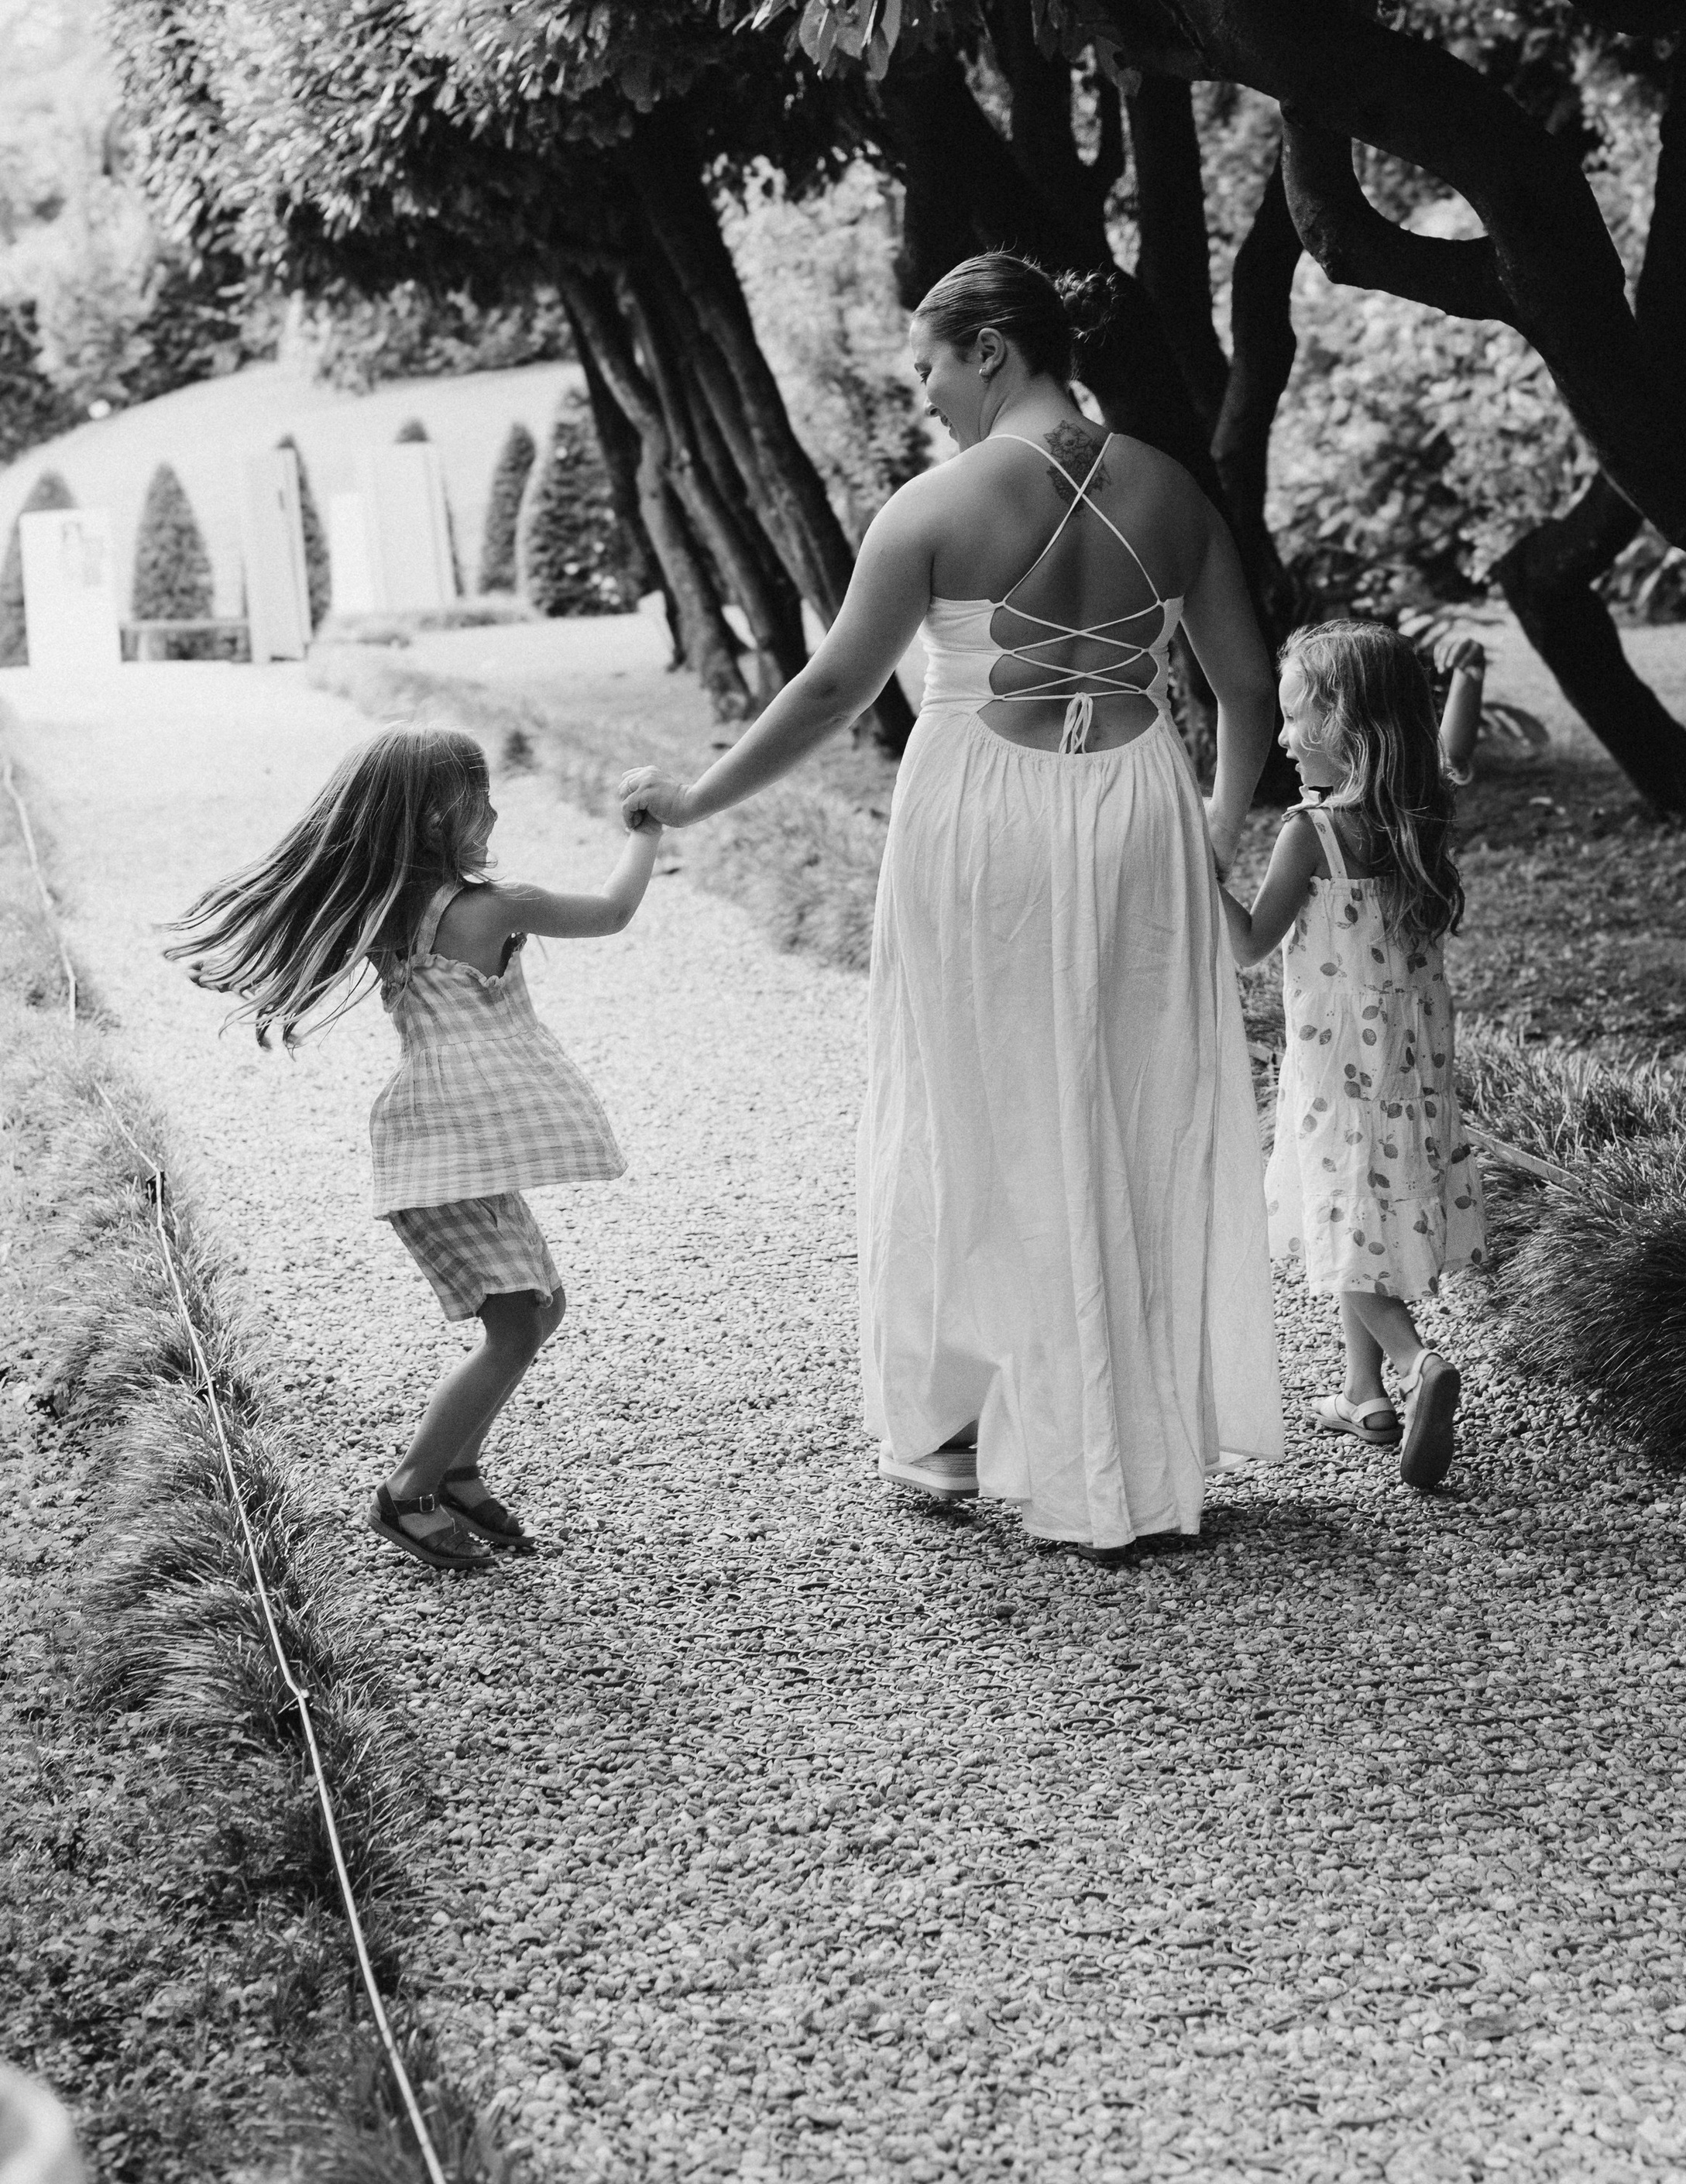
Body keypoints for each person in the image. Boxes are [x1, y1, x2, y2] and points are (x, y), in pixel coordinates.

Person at [620, 252, 1284, 1550]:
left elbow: (825, 693)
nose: (921, 392)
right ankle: (1120, 1429)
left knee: (972, 1097)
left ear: (990, 347)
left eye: (927, 361)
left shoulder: (932, 507)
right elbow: (1248, 692)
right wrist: (1209, 830)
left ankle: (964, 1428)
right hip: (1138, 808)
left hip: (984, 814)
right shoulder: (1173, 491)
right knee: (1122, 1096)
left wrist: (696, 801)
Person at [170, 726, 658, 1571]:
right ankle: (409, 1490)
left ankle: (460, 1474)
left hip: (448, 1147)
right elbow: (612, 912)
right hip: (446, 1152)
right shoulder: (491, 908)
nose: (496, 810)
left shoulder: (389, 906)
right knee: (516, 1327)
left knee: (538, 1310)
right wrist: (646, 831)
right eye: (482, 797)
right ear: (439, 817)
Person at [1218, 623, 1488, 1492]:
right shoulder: (1422, 809)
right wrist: (1467, 683)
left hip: (1336, 1063)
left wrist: (1195, 868)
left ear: (1353, 725)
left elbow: (1252, 944)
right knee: (1360, 1211)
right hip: (1413, 1062)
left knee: (1340, 1221)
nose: (1287, 740)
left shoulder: (1315, 832)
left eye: (1299, 719)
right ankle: (1360, 1393)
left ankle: (1416, 1366)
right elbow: (1452, 747)